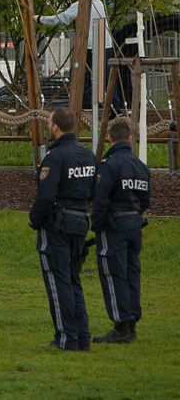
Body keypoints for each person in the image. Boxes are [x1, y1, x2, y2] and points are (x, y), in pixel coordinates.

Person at [28, 107, 97, 351]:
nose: (49, 127)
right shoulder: (87, 155)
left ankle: (66, 338)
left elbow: (46, 196)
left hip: (57, 226)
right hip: (79, 223)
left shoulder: (54, 157)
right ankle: (82, 337)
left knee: (59, 283)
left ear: (55, 127)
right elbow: (93, 191)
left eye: (49, 123)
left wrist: (34, 220)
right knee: (73, 280)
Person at [91, 119, 151, 344]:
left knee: (113, 274)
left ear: (110, 139)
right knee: (131, 274)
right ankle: (132, 322)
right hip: (134, 225)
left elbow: (100, 200)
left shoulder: (109, 165)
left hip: (113, 227)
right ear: (129, 138)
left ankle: (121, 325)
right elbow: (145, 200)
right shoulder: (141, 167)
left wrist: (97, 225)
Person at [36, 0, 120, 111]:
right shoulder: (99, 2)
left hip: (91, 46)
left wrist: (40, 19)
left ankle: (85, 103)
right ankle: (114, 105)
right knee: (104, 76)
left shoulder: (81, 4)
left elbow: (62, 18)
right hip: (106, 44)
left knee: (79, 73)